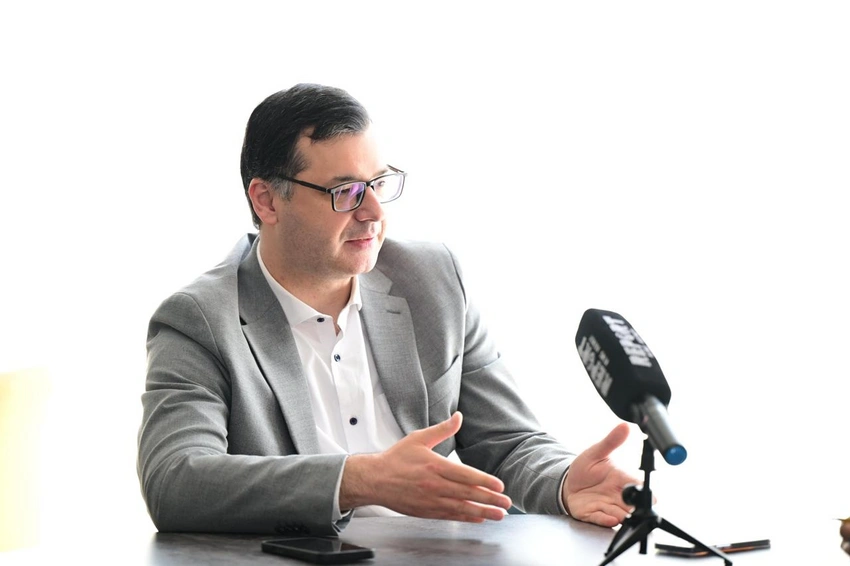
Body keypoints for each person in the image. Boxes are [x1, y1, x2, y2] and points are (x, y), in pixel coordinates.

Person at [137, 83, 639, 536]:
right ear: (266, 201)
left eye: (378, 184)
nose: (374, 212)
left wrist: (565, 481)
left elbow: (508, 443)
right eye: (345, 192)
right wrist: (359, 480)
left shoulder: (433, 281)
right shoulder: (201, 319)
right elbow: (175, 480)